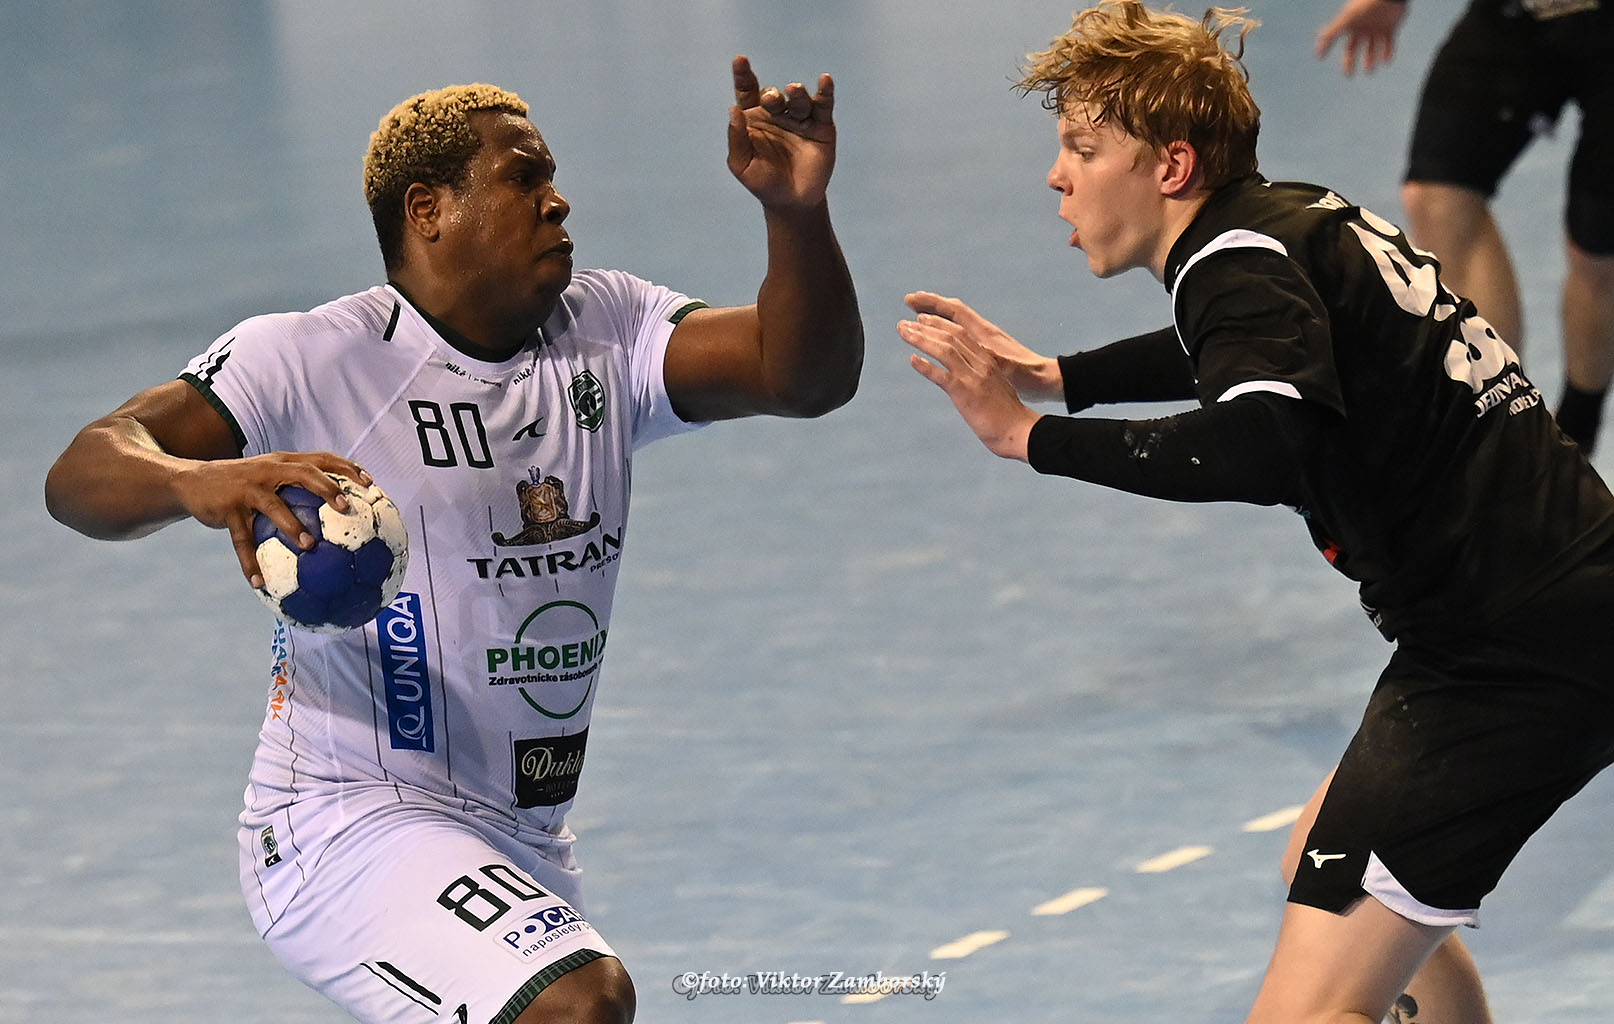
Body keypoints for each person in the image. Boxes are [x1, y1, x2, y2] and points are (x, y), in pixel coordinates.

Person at [45, 58, 861, 1024]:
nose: (558, 200)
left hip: (524, 836)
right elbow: (82, 473)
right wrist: (198, 480)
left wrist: (796, 214)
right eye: (523, 178)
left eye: (551, 176)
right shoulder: (310, 357)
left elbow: (802, 376)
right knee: (580, 1003)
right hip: (343, 821)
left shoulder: (607, 330)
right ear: (428, 211)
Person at [900, 3, 1614, 1021]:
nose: (1058, 175)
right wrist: (1066, 377)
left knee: (1305, 1009)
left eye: (1083, 149)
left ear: (1172, 165)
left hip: (1503, 656)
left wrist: (1029, 436)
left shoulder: (1234, 267)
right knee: (1328, 868)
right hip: (1566, 600)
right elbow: (1250, 350)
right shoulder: (1295, 219)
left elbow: (1262, 438)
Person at [1315, 0, 1614, 454]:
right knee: (1440, 195)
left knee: (1597, 249)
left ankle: (1578, 430)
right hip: (1518, 15)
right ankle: (1508, 430)